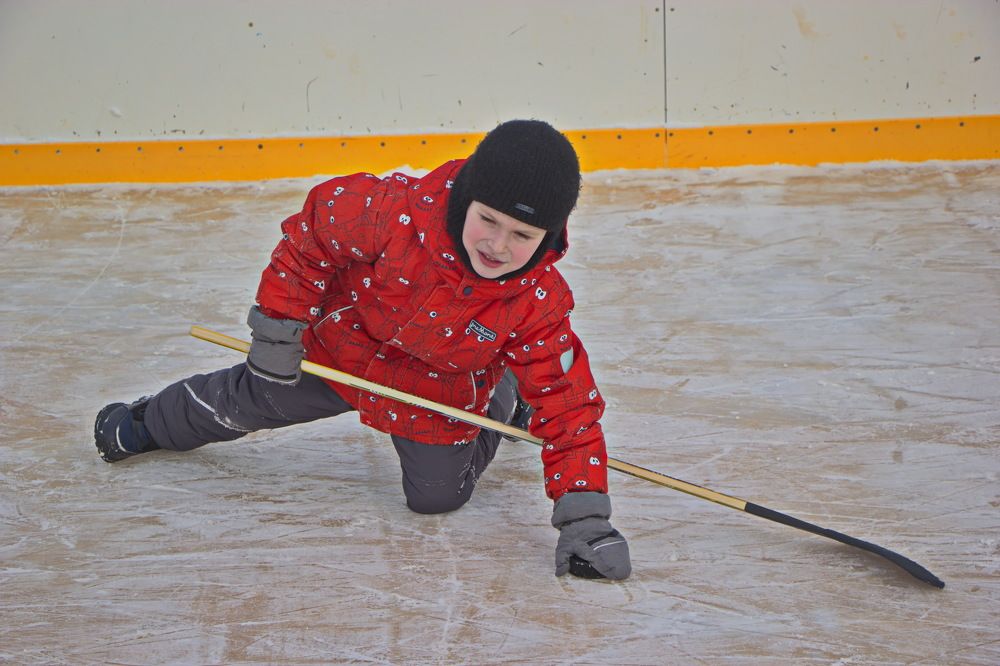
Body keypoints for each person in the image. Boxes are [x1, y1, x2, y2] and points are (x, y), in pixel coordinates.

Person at [93, 119, 631, 580]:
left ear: (549, 236)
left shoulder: (535, 301)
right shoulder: (391, 214)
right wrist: (280, 331)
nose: (497, 245)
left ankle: (498, 399)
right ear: (467, 196)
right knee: (251, 396)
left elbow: (568, 405)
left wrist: (584, 521)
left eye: (522, 235)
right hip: (341, 350)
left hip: (436, 389)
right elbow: (311, 238)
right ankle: (150, 422)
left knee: (435, 498)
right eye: (488, 219)